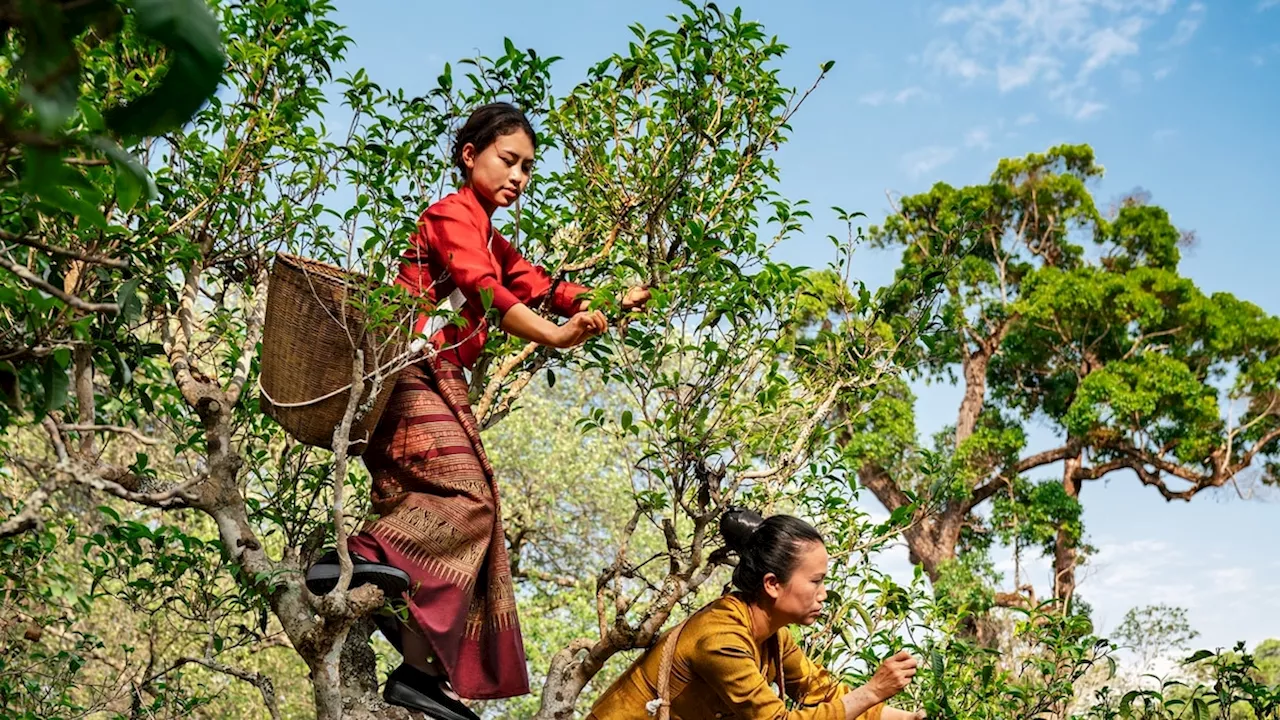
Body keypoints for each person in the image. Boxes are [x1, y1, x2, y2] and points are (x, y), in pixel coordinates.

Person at [304, 102, 651, 720]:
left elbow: (538, 284)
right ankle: (345, 559)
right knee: (469, 499)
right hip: (405, 368)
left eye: (527, 168)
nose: (519, 176)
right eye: (508, 160)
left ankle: (418, 674)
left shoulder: (491, 234)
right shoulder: (449, 216)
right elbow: (486, 289)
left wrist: (609, 303)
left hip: (443, 375)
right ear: (470, 156)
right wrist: (553, 335)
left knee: (479, 524)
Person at [586, 509, 927, 720]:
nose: (824, 593)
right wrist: (871, 691)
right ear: (772, 584)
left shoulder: (773, 637)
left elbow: (824, 693)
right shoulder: (720, 638)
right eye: (815, 581)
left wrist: (910, 717)